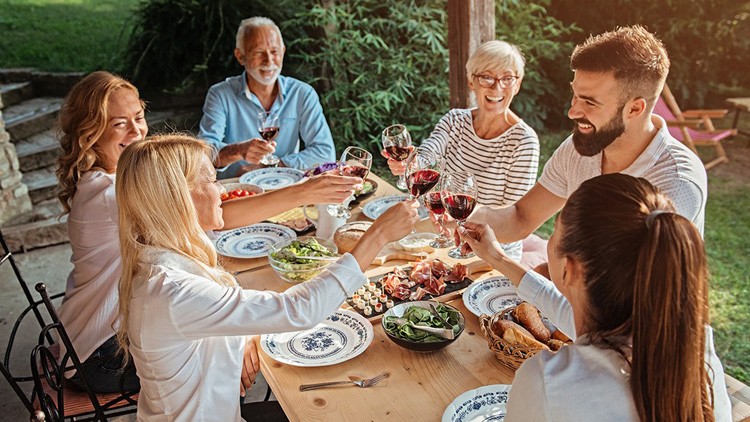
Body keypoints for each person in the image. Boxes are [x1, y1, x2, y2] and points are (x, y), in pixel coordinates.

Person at [54, 71, 360, 393]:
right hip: (100, 351)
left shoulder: (114, 177)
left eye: (139, 117)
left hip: (112, 329)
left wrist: (227, 155)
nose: (137, 131)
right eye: (119, 124)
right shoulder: (110, 194)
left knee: (248, 325)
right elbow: (214, 218)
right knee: (265, 342)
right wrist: (301, 192)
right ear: (89, 131)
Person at [114, 135, 420, 420]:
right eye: (210, 180)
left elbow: (223, 294)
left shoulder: (166, 247)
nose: (221, 190)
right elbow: (298, 311)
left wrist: (240, 331)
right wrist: (377, 235)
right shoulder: (172, 291)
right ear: (177, 199)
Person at [459, 173, 731, 421]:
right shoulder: (697, 351)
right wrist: (497, 258)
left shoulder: (549, 383)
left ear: (569, 268)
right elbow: (570, 314)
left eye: (555, 232)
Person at [468, 26, 707, 264]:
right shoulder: (579, 148)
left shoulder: (676, 183)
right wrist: (461, 213)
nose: (572, 112)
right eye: (575, 95)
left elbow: (622, 292)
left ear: (635, 108)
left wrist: (523, 273)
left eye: (590, 103)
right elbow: (520, 218)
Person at [384, 40, 539, 262]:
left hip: (492, 253)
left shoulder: (524, 141)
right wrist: (411, 163)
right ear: (471, 81)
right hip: (445, 240)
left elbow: (511, 218)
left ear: (518, 84)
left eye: (507, 79)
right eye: (487, 77)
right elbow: (428, 153)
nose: (497, 87)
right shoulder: (455, 120)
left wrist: (460, 221)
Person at [198, 16, 336, 177]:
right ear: (240, 56)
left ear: (283, 52)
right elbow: (202, 154)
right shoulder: (220, 94)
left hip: (284, 188)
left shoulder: (302, 94)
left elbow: (325, 153)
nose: (269, 60)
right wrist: (238, 151)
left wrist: (272, 166)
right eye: (259, 52)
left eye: (274, 51)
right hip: (235, 191)